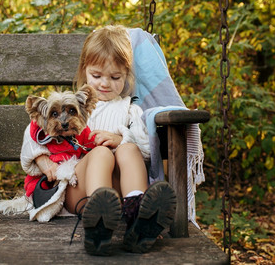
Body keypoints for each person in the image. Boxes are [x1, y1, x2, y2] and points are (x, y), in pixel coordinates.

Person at [20, 25, 176, 255]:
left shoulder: (130, 109)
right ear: (84, 72)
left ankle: (138, 216)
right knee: (102, 154)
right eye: (97, 76)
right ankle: (98, 218)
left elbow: (147, 147)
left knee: (129, 149)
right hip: (79, 192)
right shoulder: (74, 107)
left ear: (127, 76)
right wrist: (43, 160)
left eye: (115, 77)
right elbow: (33, 134)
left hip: (119, 194)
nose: (104, 84)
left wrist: (121, 138)